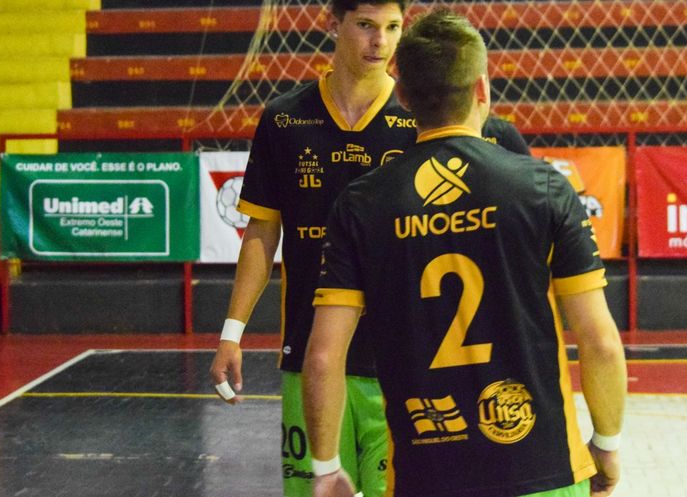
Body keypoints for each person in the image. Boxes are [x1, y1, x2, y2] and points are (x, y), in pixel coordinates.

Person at [207, 1, 530, 495]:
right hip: (310, 353)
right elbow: (261, 231)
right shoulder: (284, 119)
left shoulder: (423, 118)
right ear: (333, 25)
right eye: (365, 26)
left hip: (405, 361)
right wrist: (232, 333)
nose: (381, 41)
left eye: (393, 27)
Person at [302, 8, 627, 497]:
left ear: (403, 97)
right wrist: (607, 443)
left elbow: (324, 356)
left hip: (424, 475)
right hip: (543, 468)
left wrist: (326, 467)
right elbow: (599, 341)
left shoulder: (361, 204)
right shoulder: (544, 188)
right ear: (482, 89)